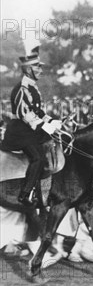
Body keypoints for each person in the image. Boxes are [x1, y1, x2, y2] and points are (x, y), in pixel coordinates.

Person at [1, 43, 61, 206]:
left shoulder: (34, 89)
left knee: (53, 149)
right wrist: (44, 125)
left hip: (31, 131)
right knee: (38, 158)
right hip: (20, 132)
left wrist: (51, 121)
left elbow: (39, 112)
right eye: (37, 67)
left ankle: (46, 191)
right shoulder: (21, 89)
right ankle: (25, 194)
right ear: (28, 69)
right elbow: (25, 114)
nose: (41, 70)